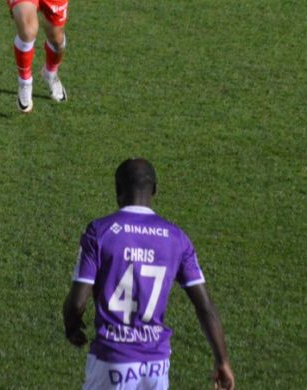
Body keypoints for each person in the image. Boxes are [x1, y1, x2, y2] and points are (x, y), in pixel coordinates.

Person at [63, 159, 234, 390]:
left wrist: (72, 326)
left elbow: (77, 302)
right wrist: (222, 360)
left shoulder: (100, 232)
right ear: (155, 189)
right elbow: (205, 306)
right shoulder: (177, 238)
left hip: (112, 360)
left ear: (117, 190)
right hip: (157, 367)